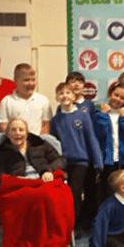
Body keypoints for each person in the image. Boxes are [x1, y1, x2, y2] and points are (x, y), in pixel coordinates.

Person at [0, 117, 73, 247]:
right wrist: (16, 179)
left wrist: (48, 170)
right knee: (36, 197)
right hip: (21, 186)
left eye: (21, 130)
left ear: (27, 132)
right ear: (8, 133)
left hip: (42, 180)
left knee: (56, 196)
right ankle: (34, 246)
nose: (18, 133)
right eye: (13, 130)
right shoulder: (2, 151)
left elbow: (60, 160)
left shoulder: (40, 144)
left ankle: (55, 244)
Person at [51, 82, 103, 237]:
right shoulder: (56, 120)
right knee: (61, 194)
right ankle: (62, 224)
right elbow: (53, 142)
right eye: (61, 93)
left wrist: (98, 162)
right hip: (63, 162)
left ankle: (75, 225)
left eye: (68, 93)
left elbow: (91, 139)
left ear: (74, 96)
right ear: (57, 97)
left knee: (75, 193)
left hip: (81, 161)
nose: (65, 96)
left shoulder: (83, 115)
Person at [94, 82, 124, 202]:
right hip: (108, 160)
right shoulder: (100, 112)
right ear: (110, 93)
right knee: (107, 192)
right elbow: (99, 133)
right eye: (116, 95)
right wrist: (103, 115)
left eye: (122, 98)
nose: (118, 99)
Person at [0, 63, 52, 135]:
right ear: (16, 80)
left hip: (37, 143)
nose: (31, 83)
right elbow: (3, 126)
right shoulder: (6, 102)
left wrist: (39, 142)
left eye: (33, 80)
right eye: (26, 80)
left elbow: (45, 124)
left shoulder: (43, 100)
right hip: (15, 143)